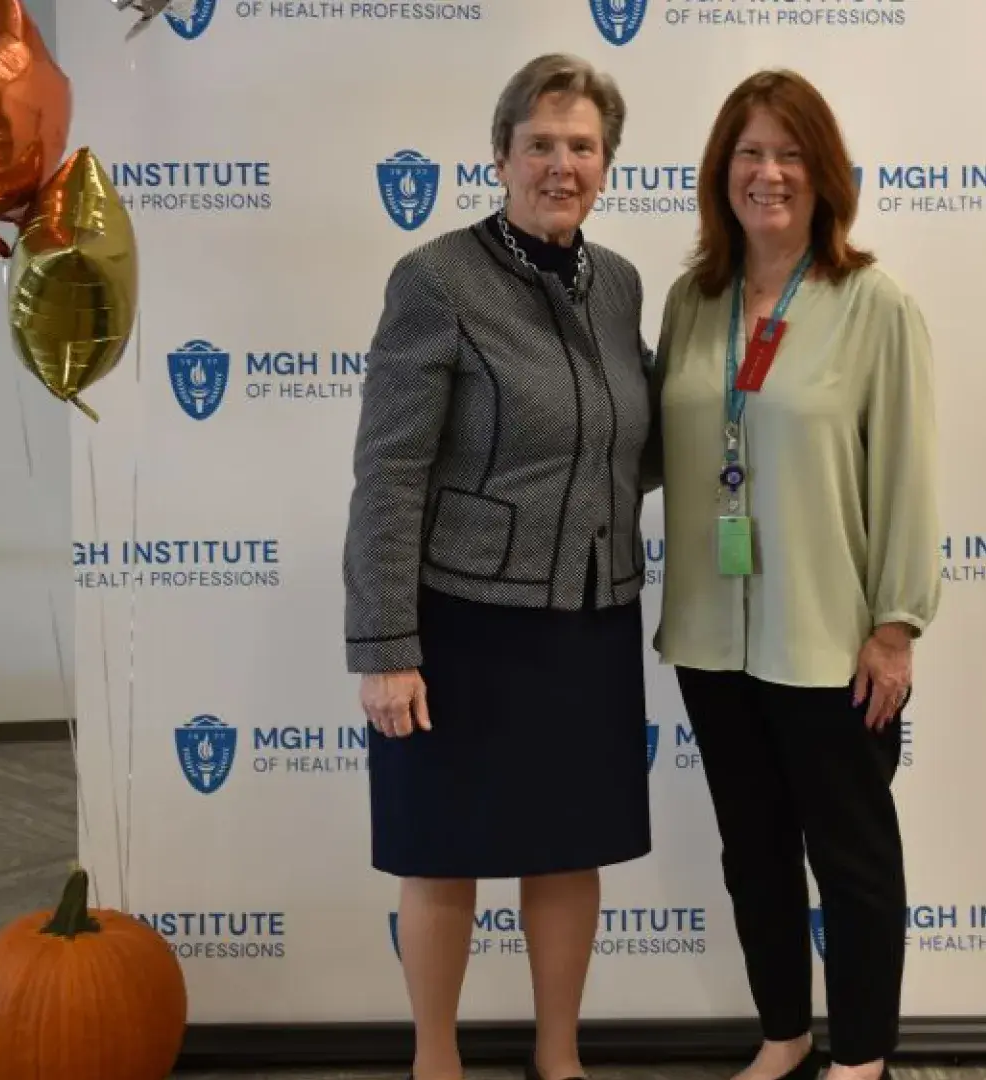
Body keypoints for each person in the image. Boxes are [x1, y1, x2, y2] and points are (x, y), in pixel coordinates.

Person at [341, 53, 654, 1080]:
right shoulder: (435, 279)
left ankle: (559, 1059)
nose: (562, 165)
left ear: (606, 163)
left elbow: (631, 442)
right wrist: (386, 646)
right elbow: (390, 473)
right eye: (541, 144)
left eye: (583, 147)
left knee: (569, 848)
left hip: (588, 614)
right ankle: (436, 1061)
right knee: (443, 851)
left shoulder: (619, 285)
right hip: (460, 621)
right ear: (501, 155)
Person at [648, 69, 942, 1080]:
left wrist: (896, 626)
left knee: (852, 859)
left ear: (824, 175)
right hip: (710, 632)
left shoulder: (873, 305)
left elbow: (906, 473)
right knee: (754, 852)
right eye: (748, 153)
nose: (767, 173)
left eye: (789, 153)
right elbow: (658, 446)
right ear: (720, 172)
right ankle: (784, 1034)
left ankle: (861, 1058)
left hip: (827, 638)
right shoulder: (694, 302)